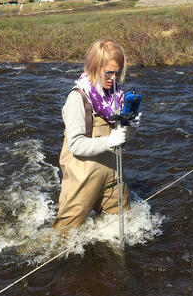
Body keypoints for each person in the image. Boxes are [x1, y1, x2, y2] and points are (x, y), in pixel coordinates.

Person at [53, 37, 139, 229]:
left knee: (122, 226)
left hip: (113, 172)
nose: (114, 79)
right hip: (83, 175)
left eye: (117, 73)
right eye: (109, 73)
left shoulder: (117, 97)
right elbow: (76, 145)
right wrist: (109, 140)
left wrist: (131, 127)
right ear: (94, 67)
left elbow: (122, 140)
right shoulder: (77, 98)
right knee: (64, 235)